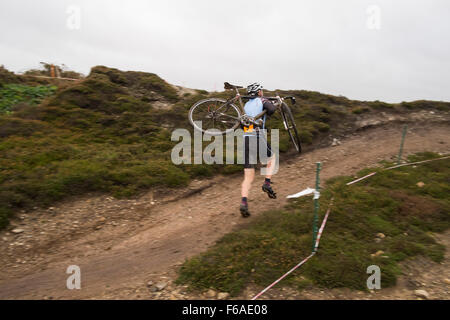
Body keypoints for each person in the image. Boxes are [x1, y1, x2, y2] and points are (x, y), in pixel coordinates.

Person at [240, 82, 278, 218]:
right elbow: (272, 110)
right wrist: (272, 105)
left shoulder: (245, 105)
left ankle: (244, 202)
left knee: (248, 176)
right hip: (257, 136)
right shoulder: (262, 100)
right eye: (261, 90)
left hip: (245, 139)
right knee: (272, 158)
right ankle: (267, 183)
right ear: (259, 92)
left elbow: (241, 125)